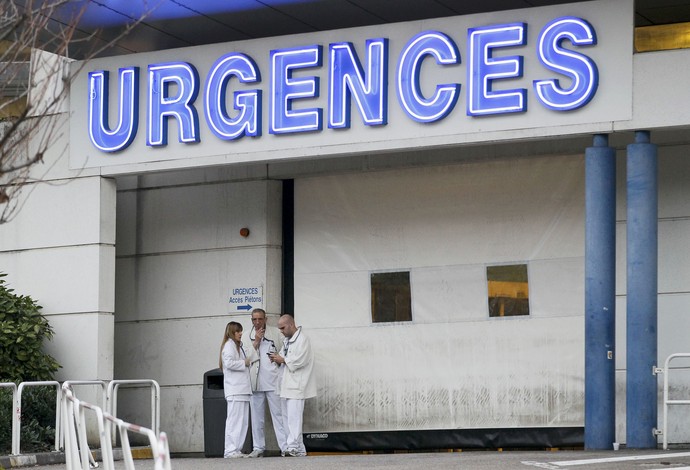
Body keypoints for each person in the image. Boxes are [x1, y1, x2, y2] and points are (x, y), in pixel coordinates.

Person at [269, 314, 316, 457]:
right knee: (287, 418)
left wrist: (282, 359)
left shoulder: (303, 340)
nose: (281, 331)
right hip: (286, 384)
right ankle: (299, 449)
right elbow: (286, 359)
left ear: (291, 324)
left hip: (297, 385)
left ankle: (293, 447)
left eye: (283, 328)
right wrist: (277, 360)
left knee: (294, 418)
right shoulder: (287, 341)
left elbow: (300, 360)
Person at [244, 308, 287, 458]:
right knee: (256, 417)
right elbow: (245, 360)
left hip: (273, 381)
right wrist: (256, 341)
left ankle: (285, 446)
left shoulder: (275, 333)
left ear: (266, 319)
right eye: (254, 319)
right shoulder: (246, 336)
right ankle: (258, 447)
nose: (257, 322)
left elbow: (285, 351)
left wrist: (278, 357)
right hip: (255, 383)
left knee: (279, 415)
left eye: (260, 319)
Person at [219, 321, 252, 458]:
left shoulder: (238, 346)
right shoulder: (228, 346)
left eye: (241, 331)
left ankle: (236, 448)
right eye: (238, 331)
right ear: (232, 332)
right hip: (235, 389)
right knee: (235, 420)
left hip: (242, 389)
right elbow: (229, 363)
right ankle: (230, 449)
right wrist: (243, 363)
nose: (240, 333)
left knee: (242, 421)